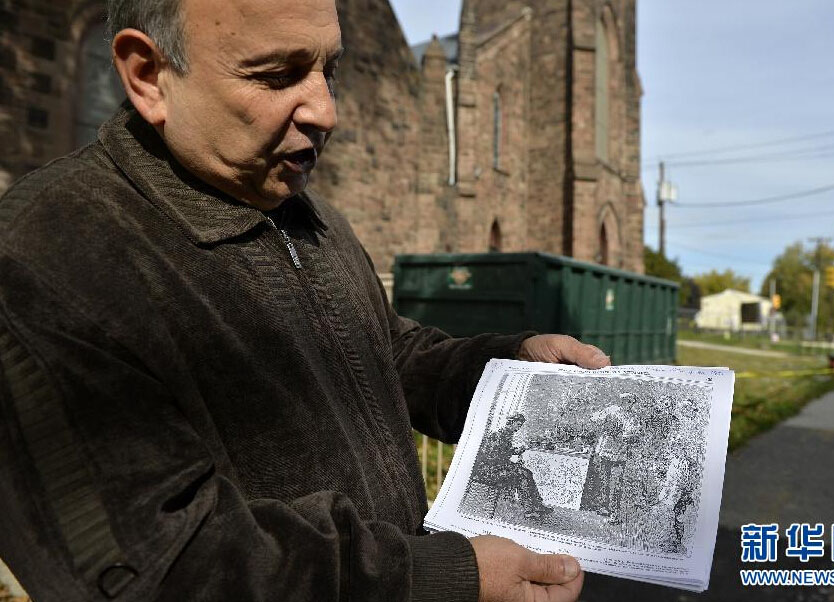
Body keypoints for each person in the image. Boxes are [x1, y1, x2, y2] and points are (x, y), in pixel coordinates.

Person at [0, 1, 611, 600]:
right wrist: (446, 577)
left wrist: (506, 373)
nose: (326, 111)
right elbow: (169, 565)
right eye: (276, 75)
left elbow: (385, 355)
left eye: (329, 69)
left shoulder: (306, 216)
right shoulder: (46, 258)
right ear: (148, 75)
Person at [473, 414, 552, 519]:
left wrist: (516, 451)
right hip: (490, 471)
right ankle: (529, 509)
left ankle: (535, 505)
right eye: (518, 425)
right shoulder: (500, 435)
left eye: (520, 426)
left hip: (497, 466)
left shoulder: (506, 434)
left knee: (527, 473)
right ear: (511, 422)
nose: (518, 428)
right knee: (523, 475)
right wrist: (513, 457)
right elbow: (494, 457)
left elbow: (504, 451)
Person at [580, 393, 640, 522]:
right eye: (625, 400)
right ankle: (603, 507)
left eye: (630, 401)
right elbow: (594, 418)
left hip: (620, 455)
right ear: (621, 401)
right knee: (603, 480)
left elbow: (632, 435)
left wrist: (621, 434)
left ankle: (614, 512)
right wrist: (603, 423)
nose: (627, 403)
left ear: (632, 403)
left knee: (616, 484)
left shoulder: (632, 418)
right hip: (605, 453)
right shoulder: (612, 410)